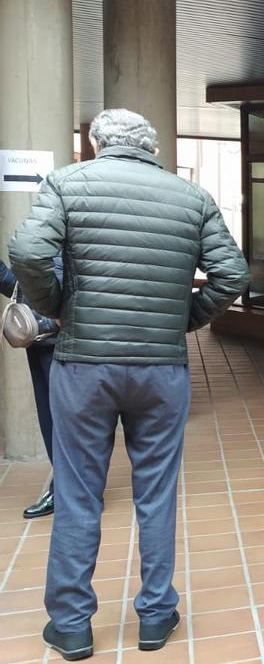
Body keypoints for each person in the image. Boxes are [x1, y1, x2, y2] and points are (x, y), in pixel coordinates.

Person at [9, 108, 250, 661]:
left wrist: (55, 306)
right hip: (162, 370)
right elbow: (233, 274)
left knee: (77, 493)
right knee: (156, 492)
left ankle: (70, 625)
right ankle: (157, 615)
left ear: (96, 143)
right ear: (151, 145)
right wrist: (183, 320)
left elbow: (26, 252)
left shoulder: (68, 183)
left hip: (84, 366)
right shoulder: (190, 196)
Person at [0, 257, 62, 519]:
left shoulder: (62, 220)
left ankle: (74, 492)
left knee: (66, 418)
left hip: (66, 336)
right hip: (38, 334)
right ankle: (65, 489)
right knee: (50, 417)